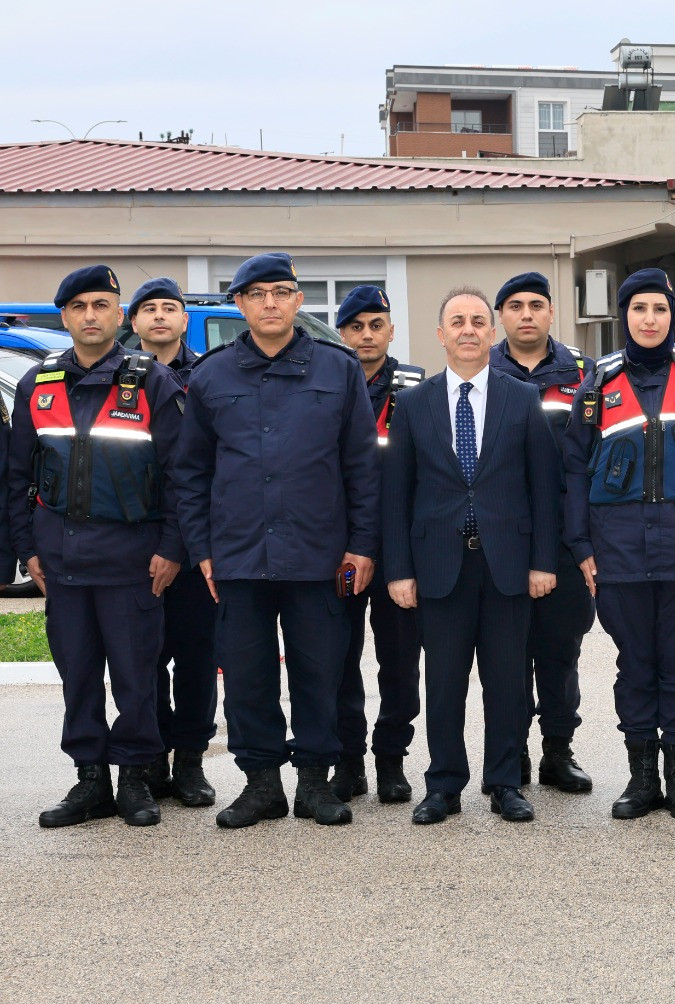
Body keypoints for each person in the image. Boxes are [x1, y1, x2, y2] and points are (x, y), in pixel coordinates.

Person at [173, 252, 381, 829]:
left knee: (320, 671)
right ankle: (261, 784)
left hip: (319, 554)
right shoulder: (211, 375)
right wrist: (202, 550)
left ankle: (315, 782)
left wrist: (362, 545)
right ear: (240, 303)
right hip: (238, 554)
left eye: (282, 292)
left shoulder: (338, 369)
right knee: (247, 675)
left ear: (298, 301)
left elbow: (362, 467)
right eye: (257, 294)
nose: (270, 303)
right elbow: (191, 472)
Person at [13, 265, 185, 828]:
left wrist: (172, 546)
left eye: (101, 305)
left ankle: (135, 777)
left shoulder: (152, 381)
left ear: (119, 315)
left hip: (133, 559)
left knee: (137, 677)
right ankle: (90, 781)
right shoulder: (36, 385)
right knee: (79, 675)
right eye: (78, 306)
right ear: (64, 317)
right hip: (61, 560)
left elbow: (182, 475)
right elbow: (15, 477)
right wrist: (27, 548)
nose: (90, 315)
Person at [383, 286, 561, 825]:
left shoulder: (520, 398)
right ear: (441, 334)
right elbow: (396, 494)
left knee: (507, 683)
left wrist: (543, 561)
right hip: (438, 566)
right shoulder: (414, 403)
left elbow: (544, 487)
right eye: (457, 321)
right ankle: (443, 785)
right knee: (444, 684)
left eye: (478, 321)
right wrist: (399, 570)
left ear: (492, 331)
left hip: (506, 564)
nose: (468, 330)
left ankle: (504, 782)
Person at [565, 269, 675, 821]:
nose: (649, 319)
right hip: (617, 554)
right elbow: (573, 470)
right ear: (625, 316)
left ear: (671, 315)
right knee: (636, 666)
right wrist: (581, 545)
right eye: (639, 308)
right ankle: (642, 779)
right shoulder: (597, 384)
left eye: (659, 309)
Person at [490, 271, 595, 795]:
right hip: (500, 538)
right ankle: (512, 753)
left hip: (563, 536)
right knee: (506, 655)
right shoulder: (482, 371)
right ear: (501, 317)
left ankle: (558, 751)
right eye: (515, 306)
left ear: (552, 313)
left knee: (560, 652)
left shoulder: (585, 374)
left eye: (536, 304)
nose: (526, 314)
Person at [125, 276, 217, 808]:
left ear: (185, 319)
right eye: (149, 308)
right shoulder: (119, 377)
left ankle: (190, 762)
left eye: (169, 307)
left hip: (198, 542)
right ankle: (152, 757)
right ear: (133, 321)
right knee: (144, 658)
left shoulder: (210, 375)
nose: (160, 316)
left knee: (198, 657)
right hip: (137, 541)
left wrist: (185, 544)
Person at [331, 285, 424, 804]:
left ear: (391, 330)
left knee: (400, 661)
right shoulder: (326, 387)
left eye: (375, 325)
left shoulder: (415, 390)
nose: (366, 335)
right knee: (339, 659)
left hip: (396, 550)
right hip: (338, 550)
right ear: (341, 333)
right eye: (355, 327)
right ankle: (348, 762)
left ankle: (391, 758)